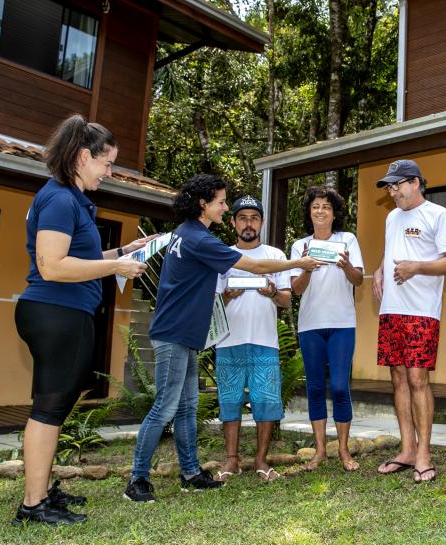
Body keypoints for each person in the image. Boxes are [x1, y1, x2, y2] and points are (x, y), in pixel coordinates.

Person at [124, 181, 323, 503]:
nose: (225, 208)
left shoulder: (185, 233)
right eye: (221, 202)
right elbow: (256, 266)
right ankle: (138, 480)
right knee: (165, 407)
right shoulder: (198, 238)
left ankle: (190, 473)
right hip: (174, 333)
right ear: (203, 204)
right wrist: (297, 263)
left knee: (187, 406)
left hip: (187, 335)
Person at [13, 114, 150, 525]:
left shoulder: (71, 200)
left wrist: (123, 252)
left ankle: (41, 492)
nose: (110, 173)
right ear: (83, 157)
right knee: (48, 409)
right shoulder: (58, 198)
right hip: (56, 311)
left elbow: (83, 258)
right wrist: (116, 270)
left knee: (54, 407)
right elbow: (52, 266)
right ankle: (32, 506)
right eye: (107, 163)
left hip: (65, 312)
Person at [373, 160, 446, 483]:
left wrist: (415, 268)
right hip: (391, 311)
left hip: (422, 311)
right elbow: (392, 249)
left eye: (396, 185)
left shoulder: (438, 215)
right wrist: (381, 268)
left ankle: (424, 453)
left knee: (417, 378)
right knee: (397, 377)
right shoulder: (391, 217)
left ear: (415, 182)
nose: (392, 192)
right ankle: (407, 449)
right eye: (389, 187)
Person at [214, 196, 300, 482]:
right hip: (228, 341)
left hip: (265, 341)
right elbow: (211, 304)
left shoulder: (275, 256)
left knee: (266, 401)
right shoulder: (221, 255)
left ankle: (261, 461)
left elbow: (287, 300)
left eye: (254, 217)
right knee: (229, 401)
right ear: (233, 222)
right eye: (242, 217)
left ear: (261, 222)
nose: (248, 223)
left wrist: (273, 292)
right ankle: (232, 461)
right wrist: (226, 295)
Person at [290, 186, 364, 472]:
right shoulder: (300, 246)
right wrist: (307, 266)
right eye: (315, 206)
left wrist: (345, 264)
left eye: (326, 207)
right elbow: (296, 290)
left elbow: (358, 280)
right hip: (311, 325)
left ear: (334, 213)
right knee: (316, 387)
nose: (320, 211)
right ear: (310, 213)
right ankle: (320, 451)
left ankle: (344, 450)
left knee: (339, 386)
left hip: (342, 324)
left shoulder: (347, 240)